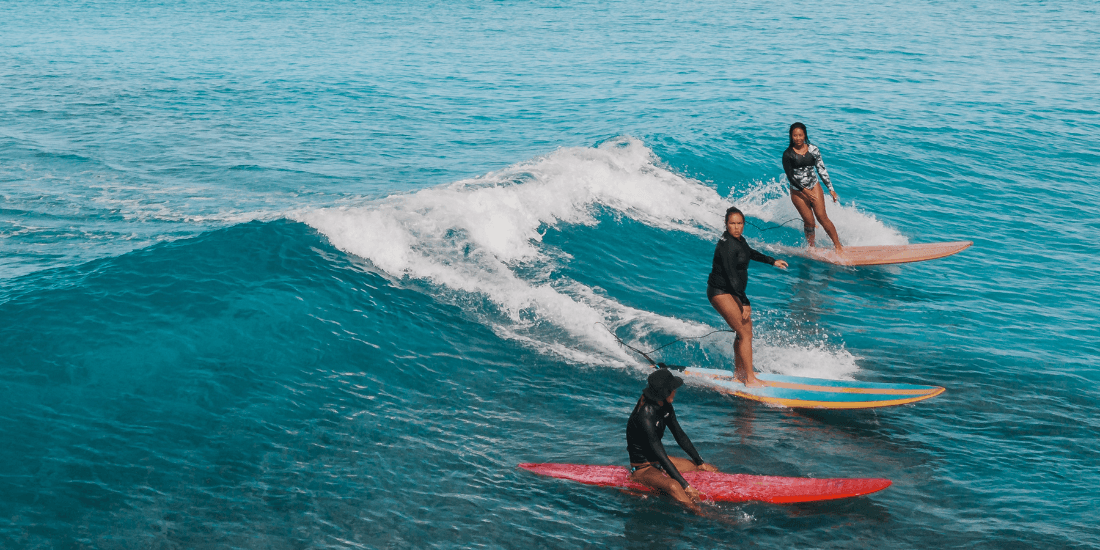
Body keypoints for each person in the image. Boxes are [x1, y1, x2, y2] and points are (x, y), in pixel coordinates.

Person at [707, 206, 788, 387]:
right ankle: (750, 379)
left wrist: (771, 261)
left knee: (743, 331)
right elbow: (731, 276)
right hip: (721, 292)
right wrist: (745, 302)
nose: (736, 227)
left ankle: (739, 373)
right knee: (745, 333)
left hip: (731, 291)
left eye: (739, 223)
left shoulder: (738, 240)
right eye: (732, 223)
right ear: (726, 224)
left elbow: (749, 252)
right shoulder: (727, 245)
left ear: (743, 224)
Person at [626, 368, 719, 508]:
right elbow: (660, 453)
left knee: (709, 468)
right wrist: (686, 486)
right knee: (674, 486)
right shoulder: (645, 416)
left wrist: (699, 462)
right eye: (672, 389)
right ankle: (702, 514)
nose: (675, 391)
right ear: (664, 392)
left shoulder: (665, 406)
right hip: (643, 468)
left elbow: (679, 434)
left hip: (657, 461)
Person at [782, 122, 844, 252]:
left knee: (822, 217)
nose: (798, 138)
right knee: (809, 222)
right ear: (791, 136)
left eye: (800, 135)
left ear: (804, 135)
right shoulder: (788, 154)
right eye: (795, 135)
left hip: (813, 185)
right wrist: (804, 191)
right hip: (797, 191)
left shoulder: (813, 149)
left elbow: (821, 169)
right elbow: (790, 177)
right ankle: (812, 248)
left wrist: (830, 189)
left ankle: (838, 245)